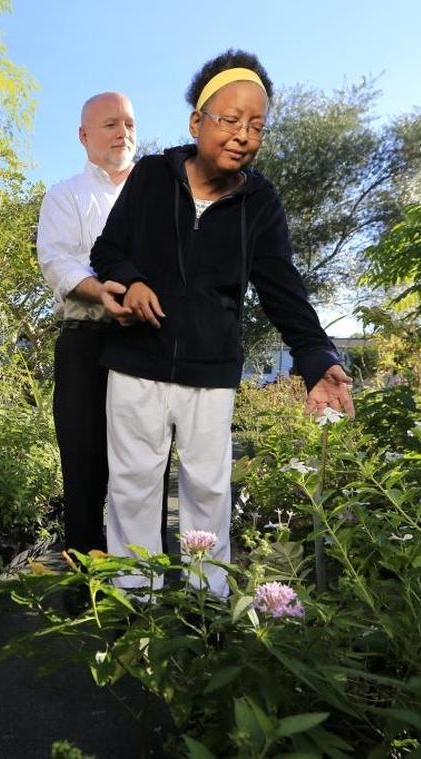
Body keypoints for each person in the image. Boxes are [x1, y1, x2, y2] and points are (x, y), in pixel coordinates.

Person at [90, 50, 355, 596]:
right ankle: (131, 602)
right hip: (137, 363)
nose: (243, 135)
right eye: (230, 120)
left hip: (211, 370)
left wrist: (318, 359)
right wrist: (133, 280)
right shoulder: (151, 179)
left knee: (208, 491)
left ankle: (206, 608)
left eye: (256, 126)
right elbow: (106, 249)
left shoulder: (260, 201)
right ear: (197, 122)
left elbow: (283, 288)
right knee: (133, 489)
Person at [36, 92, 136, 554]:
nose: (124, 132)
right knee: (83, 465)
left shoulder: (157, 201)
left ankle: (145, 580)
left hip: (143, 345)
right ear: (83, 135)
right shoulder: (65, 195)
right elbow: (57, 261)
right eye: (111, 124)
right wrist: (105, 292)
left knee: (142, 466)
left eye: (130, 124)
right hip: (85, 344)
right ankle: (83, 586)